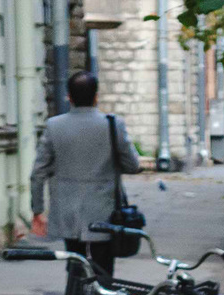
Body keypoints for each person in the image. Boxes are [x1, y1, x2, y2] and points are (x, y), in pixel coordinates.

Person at [31, 71, 142, 281]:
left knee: (74, 265)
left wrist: (37, 210)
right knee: (103, 268)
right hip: (104, 211)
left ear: (69, 97)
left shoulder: (54, 126)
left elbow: (38, 172)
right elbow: (133, 165)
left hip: (67, 211)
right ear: (96, 96)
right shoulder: (113, 124)